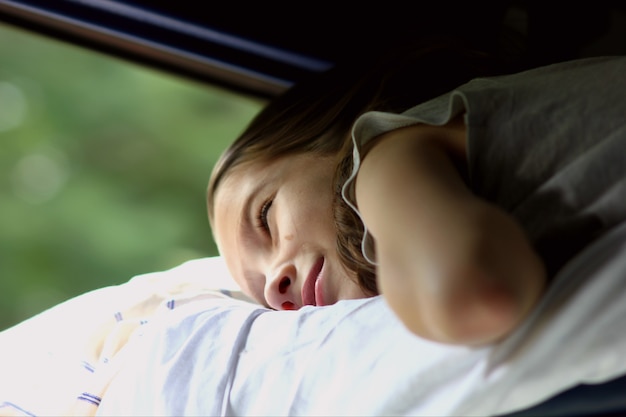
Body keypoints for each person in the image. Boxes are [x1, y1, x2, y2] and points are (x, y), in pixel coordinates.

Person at [207, 37, 626, 346]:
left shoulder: (383, 154)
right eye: (259, 290)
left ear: (334, 134)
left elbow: (475, 298)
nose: (275, 287)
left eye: (265, 217)